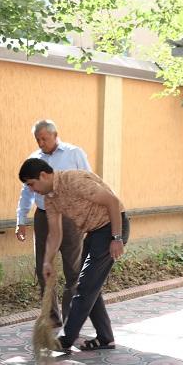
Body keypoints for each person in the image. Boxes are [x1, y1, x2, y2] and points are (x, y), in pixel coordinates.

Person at [18, 158, 130, 352]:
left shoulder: (74, 181)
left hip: (111, 228)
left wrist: (117, 238)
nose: (31, 189)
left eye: (31, 184)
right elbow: (55, 234)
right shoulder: (50, 199)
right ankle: (105, 338)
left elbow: (113, 202)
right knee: (88, 285)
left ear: (43, 176)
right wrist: (47, 261)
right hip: (94, 232)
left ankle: (66, 340)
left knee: (85, 285)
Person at [15, 120, 91, 327]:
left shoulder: (74, 153)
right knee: (43, 266)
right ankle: (51, 316)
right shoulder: (33, 159)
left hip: (70, 217)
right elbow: (26, 192)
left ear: (55, 135)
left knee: (73, 269)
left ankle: (71, 318)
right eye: (37, 140)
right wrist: (21, 220)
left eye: (44, 139)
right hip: (43, 217)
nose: (41, 143)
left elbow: (88, 182)